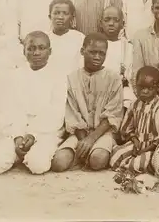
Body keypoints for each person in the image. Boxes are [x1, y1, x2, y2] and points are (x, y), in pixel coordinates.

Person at [0, 31, 66, 174]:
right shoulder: (15, 76)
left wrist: (33, 135)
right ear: (24, 51)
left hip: (45, 132)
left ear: (50, 51)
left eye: (42, 48)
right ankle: (18, 152)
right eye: (31, 48)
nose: (36, 53)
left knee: (38, 166)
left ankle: (28, 154)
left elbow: (56, 112)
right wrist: (18, 136)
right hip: (18, 129)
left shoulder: (58, 77)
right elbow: (10, 108)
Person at [51, 33, 123, 172]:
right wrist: (83, 141)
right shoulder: (72, 78)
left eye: (101, 53)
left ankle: (96, 153)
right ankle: (83, 155)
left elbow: (112, 116)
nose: (97, 57)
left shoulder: (114, 79)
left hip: (103, 133)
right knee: (58, 163)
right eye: (92, 52)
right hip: (79, 133)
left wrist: (91, 140)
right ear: (82, 51)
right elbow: (72, 113)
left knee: (97, 160)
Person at [109, 66, 159, 173]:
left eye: (150, 88)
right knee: (115, 155)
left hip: (154, 147)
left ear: (157, 88)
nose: (145, 91)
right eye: (141, 88)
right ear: (136, 86)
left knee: (139, 163)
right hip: (137, 143)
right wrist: (134, 140)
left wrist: (144, 150)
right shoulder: (134, 104)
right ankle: (133, 163)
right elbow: (126, 129)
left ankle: (144, 165)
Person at [100, 6, 135, 108]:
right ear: (101, 23)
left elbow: (129, 74)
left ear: (122, 24)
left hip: (121, 90)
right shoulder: (95, 44)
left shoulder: (128, 47)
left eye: (116, 20)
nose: (111, 23)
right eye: (107, 20)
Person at [47, 0, 84, 76]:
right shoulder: (44, 38)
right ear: (50, 16)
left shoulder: (79, 38)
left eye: (65, 13)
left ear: (72, 17)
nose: (60, 17)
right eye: (56, 13)